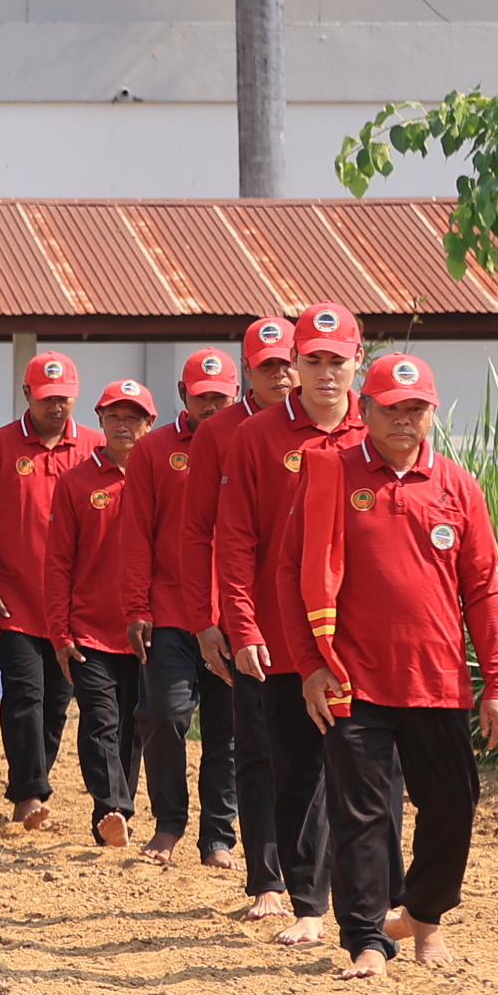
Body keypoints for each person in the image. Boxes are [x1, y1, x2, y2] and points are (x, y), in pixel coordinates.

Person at [304, 350, 498, 980]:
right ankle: (367, 938)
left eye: (416, 409)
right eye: (391, 408)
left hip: (439, 683)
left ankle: (423, 917)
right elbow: (299, 575)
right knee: (362, 816)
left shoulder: (458, 486)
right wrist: (311, 666)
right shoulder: (330, 477)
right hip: (354, 681)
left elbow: (483, 591)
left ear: (433, 413)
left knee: (453, 805)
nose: (403, 420)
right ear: (364, 410)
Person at [212, 305, 367, 948]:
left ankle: (365, 897)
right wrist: (242, 626)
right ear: (293, 367)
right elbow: (236, 538)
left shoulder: (380, 428)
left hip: (360, 636)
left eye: (338, 361)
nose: (325, 373)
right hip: (280, 638)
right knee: (294, 767)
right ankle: (304, 900)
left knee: (363, 768)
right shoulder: (257, 438)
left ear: (358, 360)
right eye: (313, 361)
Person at [0, 351, 100, 834]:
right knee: (25, 692)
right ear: (27, 396)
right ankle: (29, 794)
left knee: (58, 702)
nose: (56, 407)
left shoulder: (95, 446)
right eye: (47, 399)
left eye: (63, 399)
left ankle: (32, 782)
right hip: (13, 600)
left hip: (74, 605)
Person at [129, 346, 247, 870]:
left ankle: (218, 834)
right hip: (171, 610)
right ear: (183, 396)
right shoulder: (154, 451)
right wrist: (136, 605)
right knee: (166, 715)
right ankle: (169, 820)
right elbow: (134, 534)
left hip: (235, 612)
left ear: (237, 395)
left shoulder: (252, 444)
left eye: (221, 398)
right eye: (203, 399)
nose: (212, 408)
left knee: (227, 727)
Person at [40, 379, 160, 850]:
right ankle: (113, 808)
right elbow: (57, 562)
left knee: (134, 724)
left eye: (134, 417)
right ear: (100, 420)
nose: (124, 425)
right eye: (115, 416)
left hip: (148, 628)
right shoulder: (75, 482)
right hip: (90, 627)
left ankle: (117, 813)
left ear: (150, 423)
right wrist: (59, 629)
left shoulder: (163, 477)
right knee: (100, 719)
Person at [212, 313, 300, 910]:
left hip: (321, 624)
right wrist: (207, 620)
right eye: (269, 365)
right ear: (247, 369)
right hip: (249, 618)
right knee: (259, 749)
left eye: (291, 361)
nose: (283, 373)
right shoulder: (223, 432)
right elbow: (202, 533)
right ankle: (267, 879)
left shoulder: (344, 428)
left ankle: (321, 878)